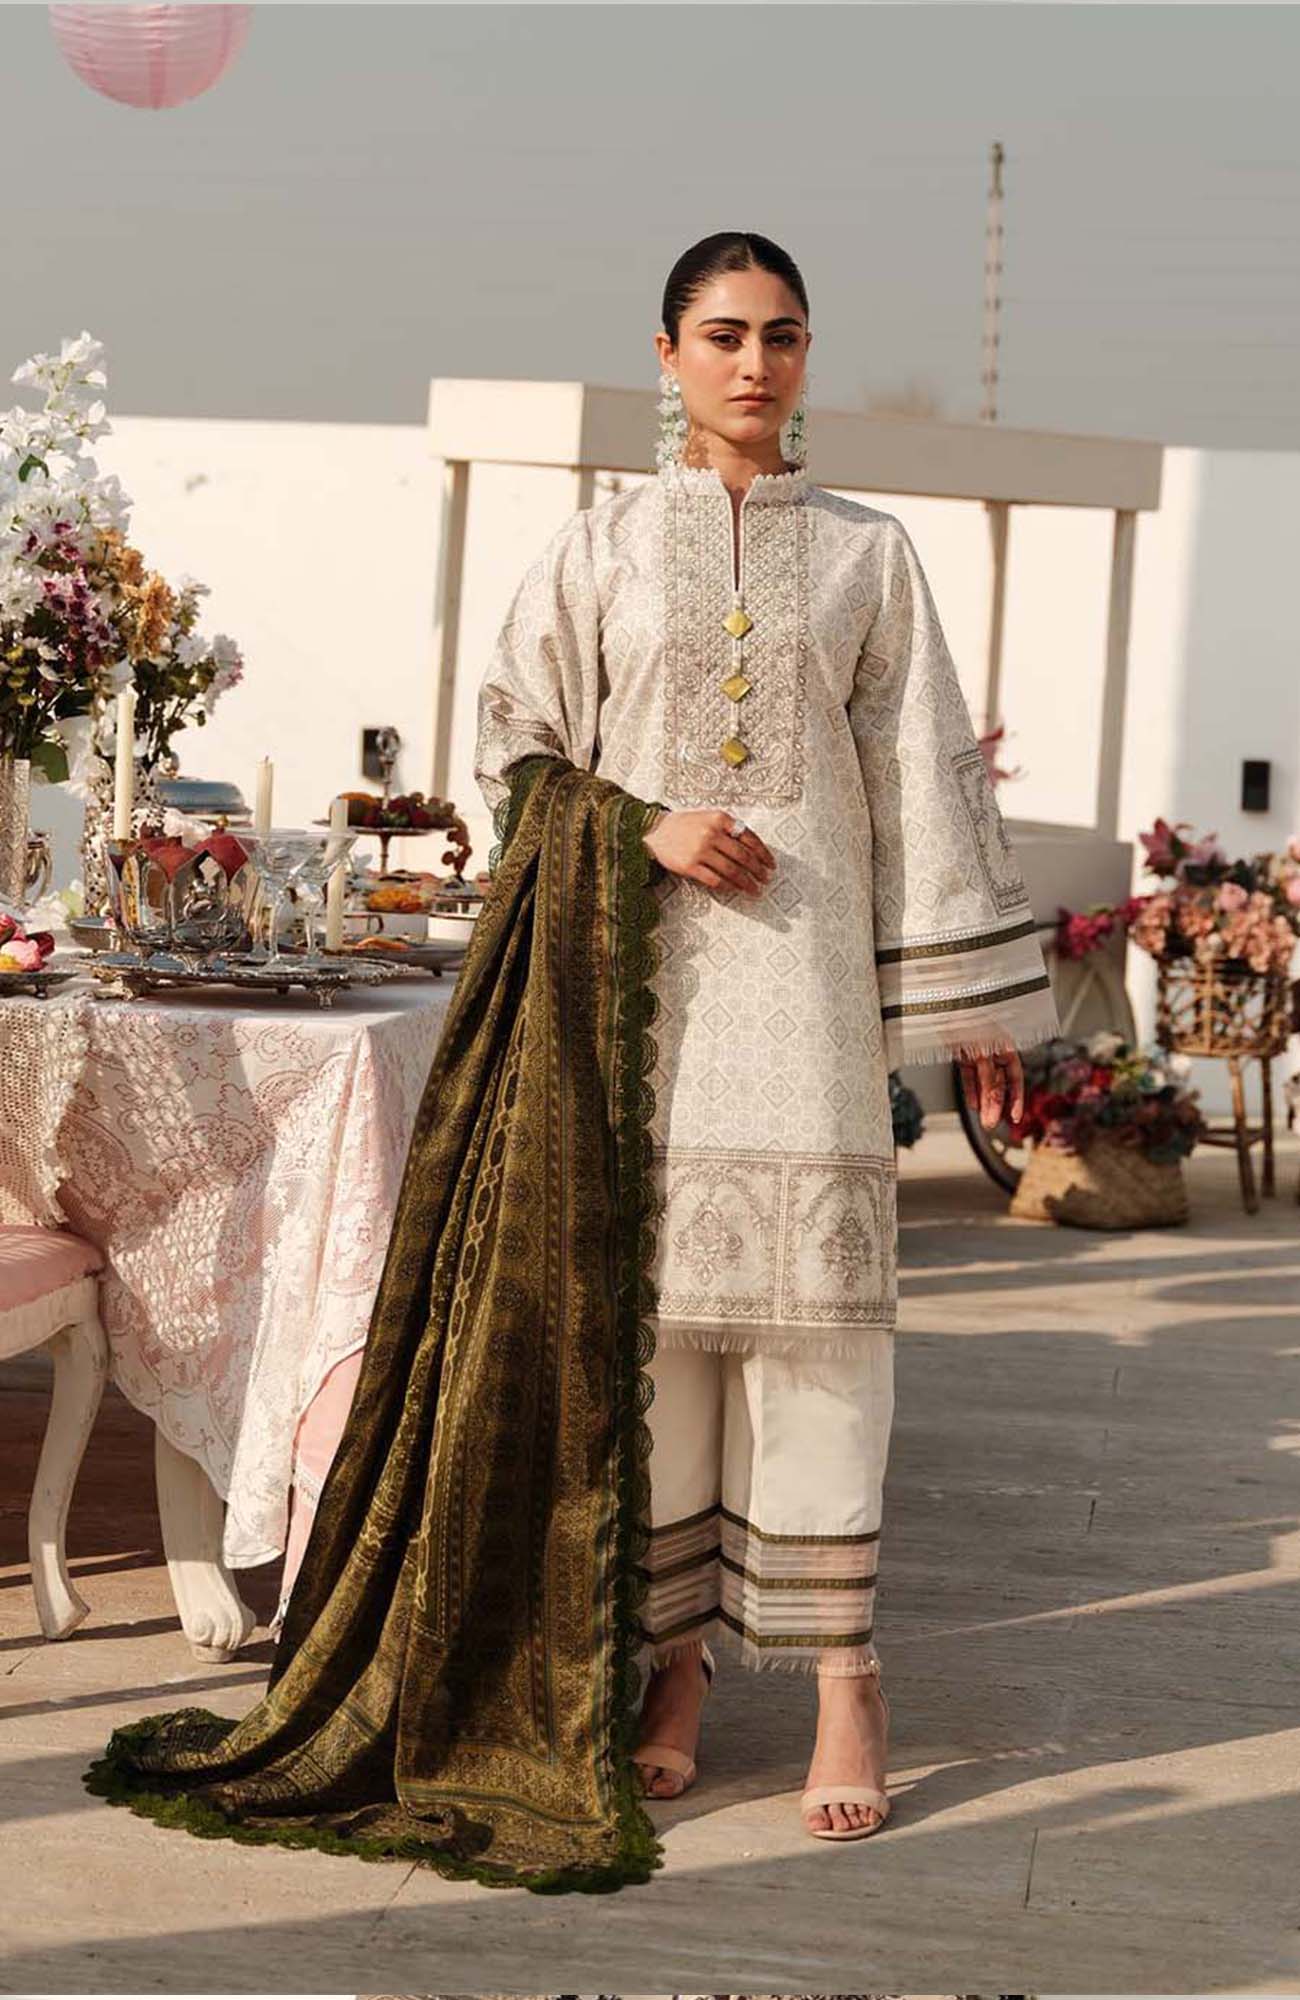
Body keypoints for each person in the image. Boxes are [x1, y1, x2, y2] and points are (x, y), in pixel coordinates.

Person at [473, 230, 1060, 1840]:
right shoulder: (595, 548)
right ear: (665, 355)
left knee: (818, 1331)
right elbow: (512, 742)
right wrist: (644, 824)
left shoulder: (872, 555)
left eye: (782, 335)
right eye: (724, 334)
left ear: (807, 357)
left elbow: (925, 780)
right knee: (659, 1337)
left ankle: (847, 1679)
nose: (755, 362)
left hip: (808, 998)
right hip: (644, 997)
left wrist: (964, 1007)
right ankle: (675, 1670)